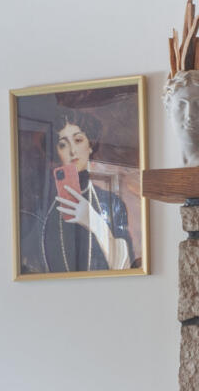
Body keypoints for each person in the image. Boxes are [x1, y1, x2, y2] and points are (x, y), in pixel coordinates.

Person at [24, 112, 138, 274]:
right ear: (56, 152)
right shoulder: (45, 207)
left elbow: (126, 265)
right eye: (63, 144)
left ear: (90, 145)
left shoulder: (111, 201)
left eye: (78, 140)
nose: (72, 152)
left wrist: (94, 222)